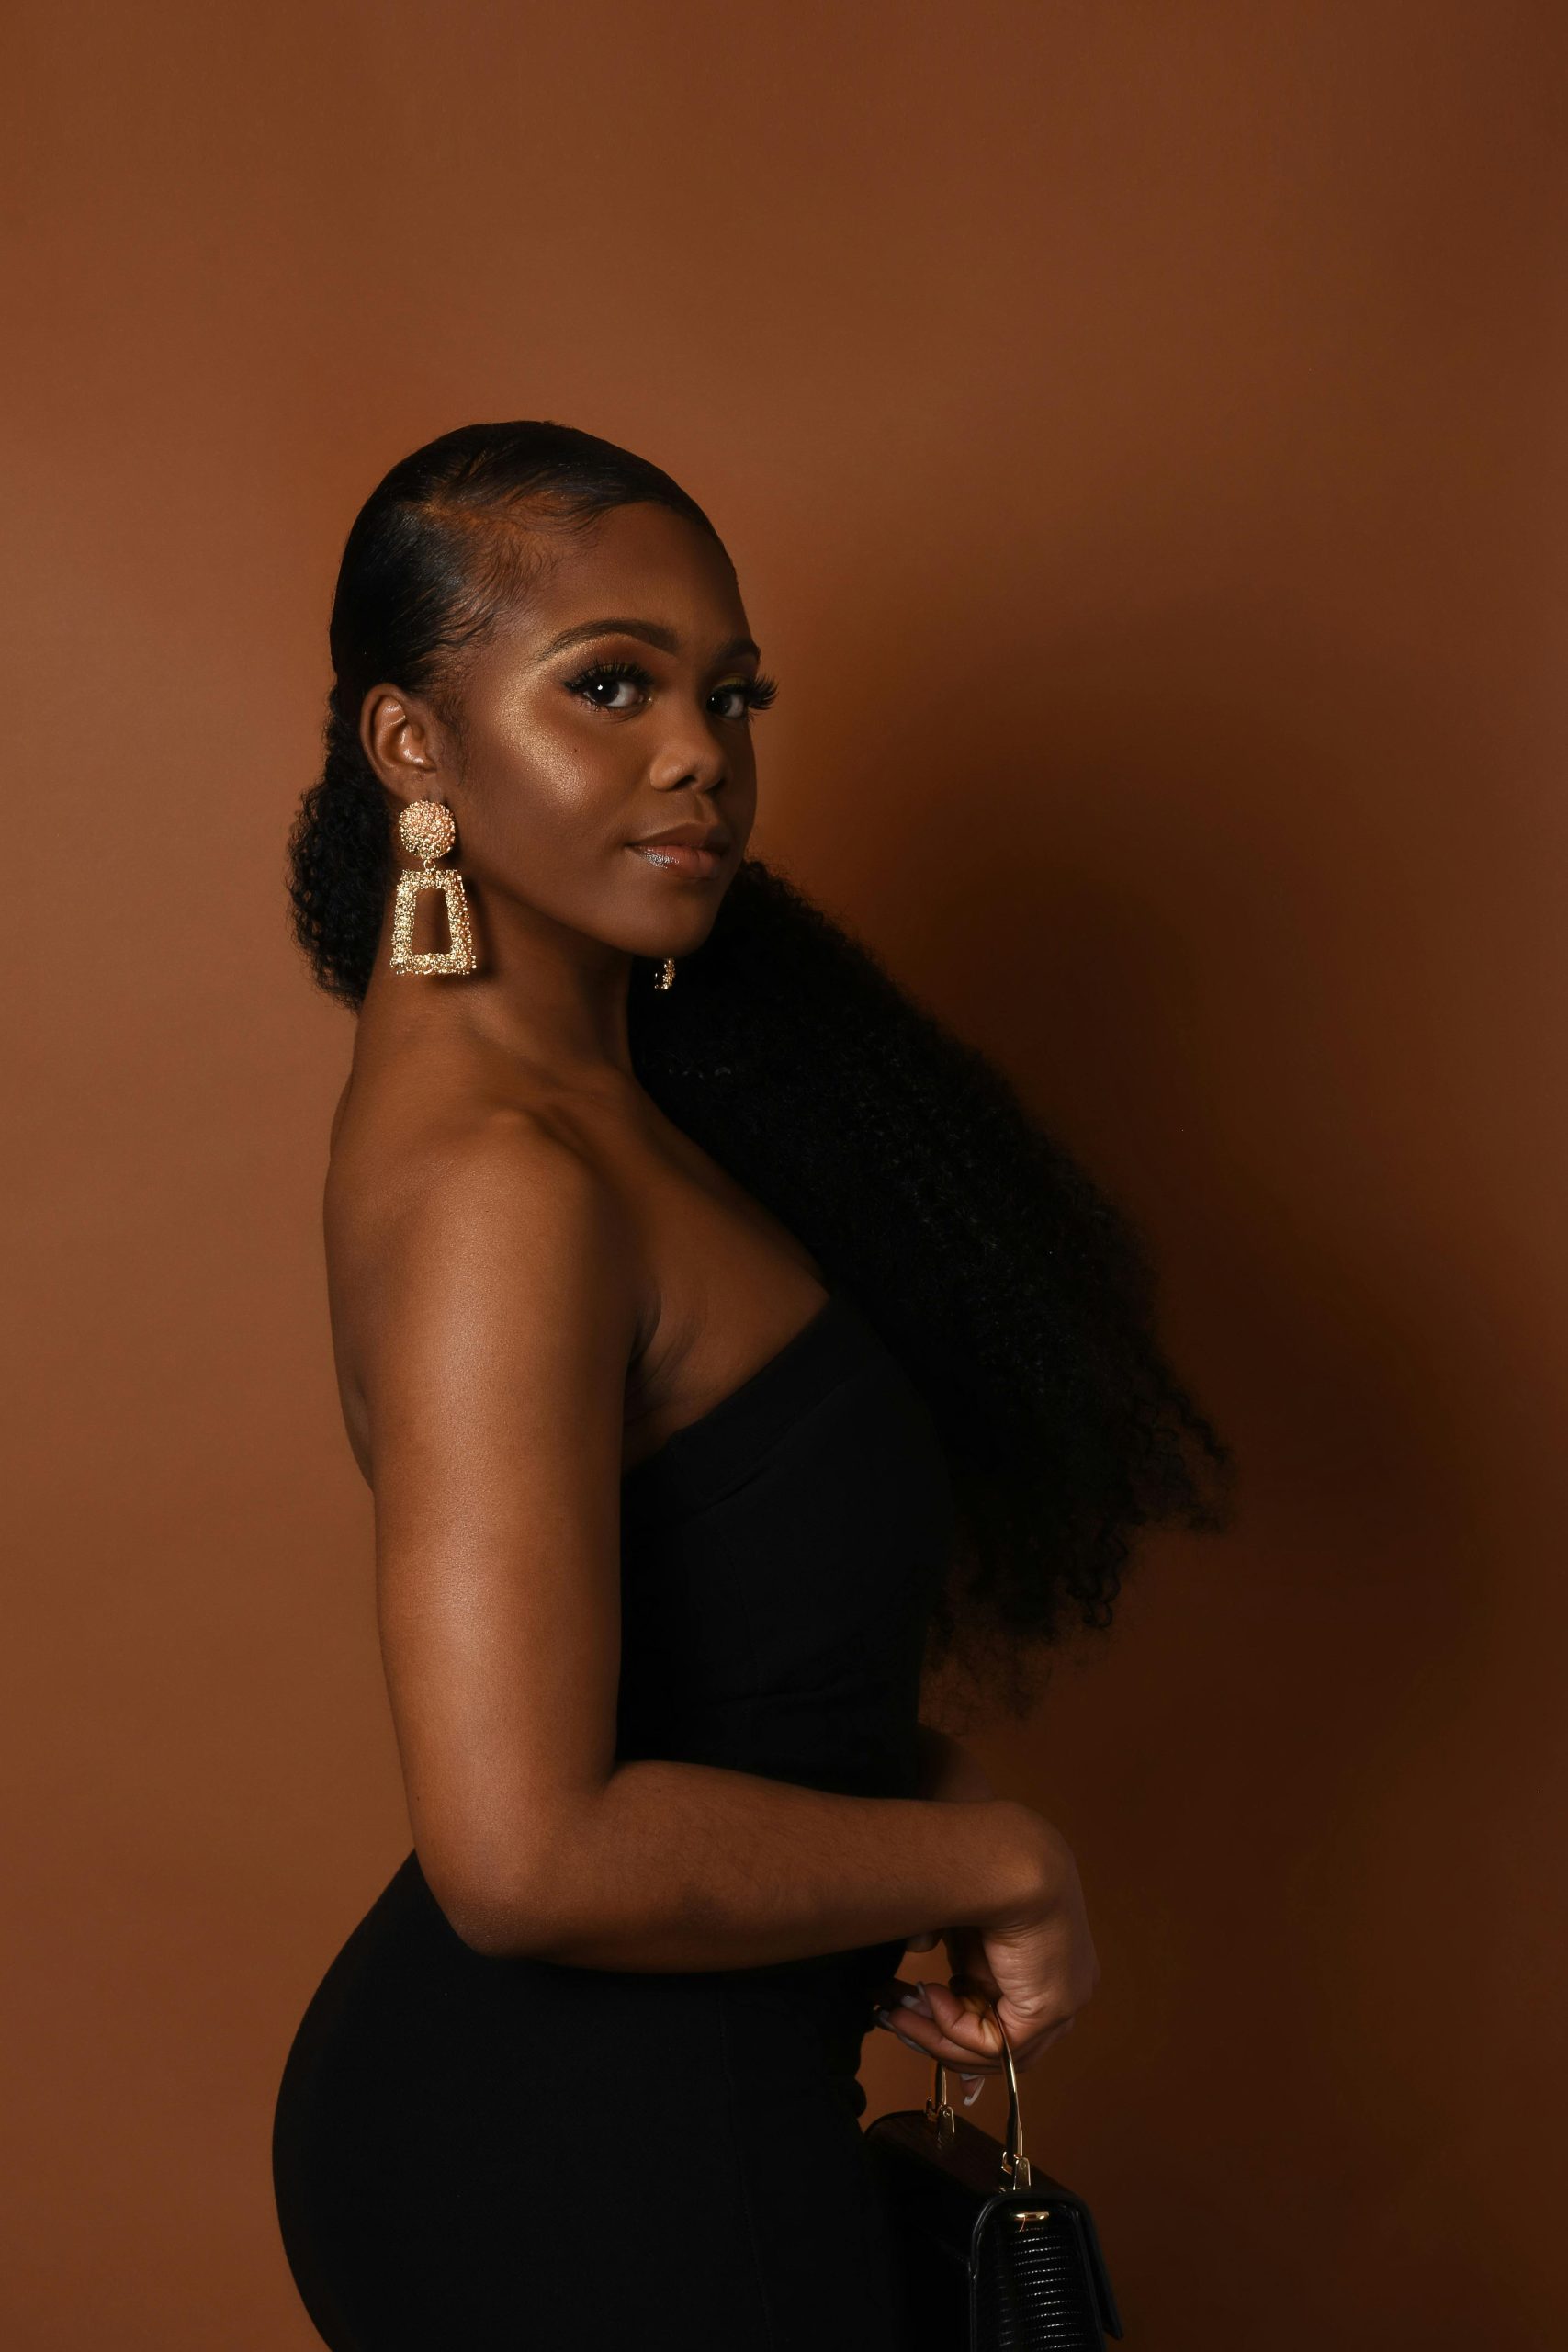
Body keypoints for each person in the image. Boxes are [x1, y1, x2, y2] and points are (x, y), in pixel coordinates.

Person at [269, 419, 1229, 2350]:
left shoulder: (599, 1124)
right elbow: (520, 1850)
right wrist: (994, 1850)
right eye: (606, 685)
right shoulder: (502, 1188)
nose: (696, 748)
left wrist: (907, 1797)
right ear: (411, 747)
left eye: (727, 693)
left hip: (667, 2111)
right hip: (575, 2158)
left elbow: (714, 1669)